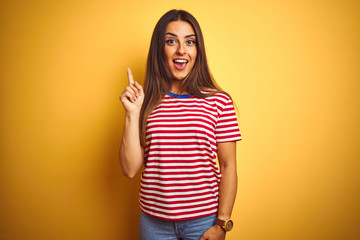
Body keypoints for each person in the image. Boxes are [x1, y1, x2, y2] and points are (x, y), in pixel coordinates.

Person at [119, 9, 242, 240]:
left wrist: (222, 224)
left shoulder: (219, 101)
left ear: (198, 50)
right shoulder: (146, 102)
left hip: (203, 222)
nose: (181, 50)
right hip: (153, 224)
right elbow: (130, 169)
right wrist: (132, 114)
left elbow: (228, 167)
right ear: (160, 49)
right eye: (171, 41)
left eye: (190, 42)